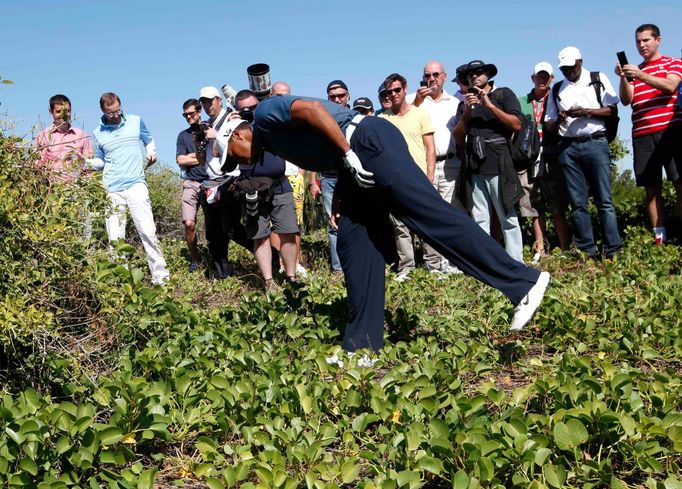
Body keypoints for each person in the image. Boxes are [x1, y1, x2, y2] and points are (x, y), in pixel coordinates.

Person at [219, 95, 550, 355]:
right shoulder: (272, 142)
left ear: (236, 134)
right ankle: (362, 344)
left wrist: (349, 153)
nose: (240, 163)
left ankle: (523, 283)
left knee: (430, 217)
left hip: (368, 141)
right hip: (353, 160)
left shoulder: (264, 115)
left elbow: (312, 110)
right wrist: (341, 189)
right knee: (354, 241)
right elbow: (327, 149)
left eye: (233, 154)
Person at [546, 47, 622, 260]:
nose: (568, 71)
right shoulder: (557, 89)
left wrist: (586, 111)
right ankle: (586, 252)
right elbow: (550, 124)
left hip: (595, 142)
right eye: (564, 68)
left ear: (580, 62)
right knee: (578, 203)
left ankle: (613, 251)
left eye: (571, 66)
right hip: (568, 147)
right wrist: (562, 117)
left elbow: (612, 109)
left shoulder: (597, 78)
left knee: (604, 200)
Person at [87, 92, 170, 285]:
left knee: (148, 232)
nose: (115, 115)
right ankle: (122, 282)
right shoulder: (98, 132)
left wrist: (151, 152)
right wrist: (82, 162)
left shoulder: (135, 121)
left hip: (136, 185)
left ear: (120, 105)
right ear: (103, 111)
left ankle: (161, 279)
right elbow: (100, 161)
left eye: (117, 111)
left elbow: (148, 139)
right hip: (112, 190)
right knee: (116, 239)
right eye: (110, 113)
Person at [616, 24, 682, 245]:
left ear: (658, 40)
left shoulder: (673, 63)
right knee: (651, 188)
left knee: (679, 181)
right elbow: (626, 100)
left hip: (671, 131)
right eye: (638, 41)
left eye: (646, 40)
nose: (642, 45)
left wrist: (640, 75)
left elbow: (670, 86)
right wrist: (625, 77)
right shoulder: (636, 70)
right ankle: (660, 239)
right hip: (642, 134)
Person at [454, 60, 525, 262]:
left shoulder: (503, 94)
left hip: (499, 162)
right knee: (480, 218)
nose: (474, 76)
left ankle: (515, 262)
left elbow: (516, 124)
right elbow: (458, 136)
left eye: (479, 72)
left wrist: (489, 105)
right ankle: (486, 264)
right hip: (474, 165)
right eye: (470, 75)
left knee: (507, 215)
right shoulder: (464, 104)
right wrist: (468, 110)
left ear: (488, 75)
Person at [230, 89, 299, 291]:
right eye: (245, 110)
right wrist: (231, 127)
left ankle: (291, 277)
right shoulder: (233, 128)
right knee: (259, 235)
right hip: (252, 188)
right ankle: (269, 281)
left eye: (254, 107)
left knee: (288, 231)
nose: (250, 111)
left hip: (279, 184)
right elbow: (218, 151)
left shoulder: (271, 122)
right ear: (237, 110)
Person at [379, 73, 436, 280]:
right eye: (389, 91)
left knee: (427, 223)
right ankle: (407, 268)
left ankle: (434, 265)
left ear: (405, 89)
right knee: (400, 227)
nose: (393, 94)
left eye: (397, 90)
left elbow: (430, 148)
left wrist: (430, 175)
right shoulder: (382, 120)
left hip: (420, 178)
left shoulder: (419, 114)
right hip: (395, 181)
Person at [408, 61, 463, 274]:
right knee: (430, 214)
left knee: (450, 213)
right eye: (427, 75)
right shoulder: (414, 100)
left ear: (445, 76)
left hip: (450, 163)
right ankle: (433, 264)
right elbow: (404, 120)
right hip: (423, 164)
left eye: (436, 75)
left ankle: (450, 261)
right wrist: (418, 102)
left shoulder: (454, 101)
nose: (432, 79)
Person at [517, 62, 571, 260]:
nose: (542, 79)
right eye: (538, 76)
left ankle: (564, 248)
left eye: (545, 76)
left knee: (557, 205)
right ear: (532, 78)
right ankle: (540, 249)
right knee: (533, 205)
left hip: (552, 156)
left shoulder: (557, 99)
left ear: (552, 78)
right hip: (528, 159)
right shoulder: (522, 101)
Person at [198, 86, 251, 279]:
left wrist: (217, 135)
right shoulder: (207, 124)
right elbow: (203, 157)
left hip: (230, 179)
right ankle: (222, 275)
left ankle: (270, 256)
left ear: (219, 100)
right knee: (214, 234)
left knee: (231, 228)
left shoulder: (231, 118)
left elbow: (239, 145)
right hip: (211, 181)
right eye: (203, 102)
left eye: (209, 101)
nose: (206, 105)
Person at [307, 80, 350, 273]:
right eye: (332, 96)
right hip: (329, 178)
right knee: (334, 224)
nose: (337, 99)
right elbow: (316, 152)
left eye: (340, 95)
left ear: (348, 95)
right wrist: (312, 181)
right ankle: (338, 268)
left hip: (352, 177)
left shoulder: (355, 115)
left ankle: (359, 262)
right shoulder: (321, 118)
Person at [270, 81, 307, 277]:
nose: (283, 100)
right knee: (274, 226)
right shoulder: (265, 119)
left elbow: (304, 150)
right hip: (274, 179)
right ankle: (281, 265)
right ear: (270, 96)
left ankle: (296, 262)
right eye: (279, 96)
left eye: (286, 96)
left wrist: (301, 175)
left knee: (295, 225)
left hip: (294, 177)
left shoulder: (296, 121)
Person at [176, 98, 207, 272]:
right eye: (185, 114)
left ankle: (217, 260)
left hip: (210, 182)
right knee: (189, 223)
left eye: (191, 113)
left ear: (199, 112)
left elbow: (215, 156)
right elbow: (180, 160)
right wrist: (201, 157)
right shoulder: (183, 136)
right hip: (191, 183)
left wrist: (193, 158)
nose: (188, 117)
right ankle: (195, 260)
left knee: (214, 224)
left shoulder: (209, 130)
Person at [36, 94, 93, 184]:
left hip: (78, 190)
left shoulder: (81, 135)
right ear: (51, 112)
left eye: (67, 111)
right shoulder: (44, 136)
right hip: (53, 189)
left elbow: (89, 166)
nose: (63, 115)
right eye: (58, 111)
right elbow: (38, 166)